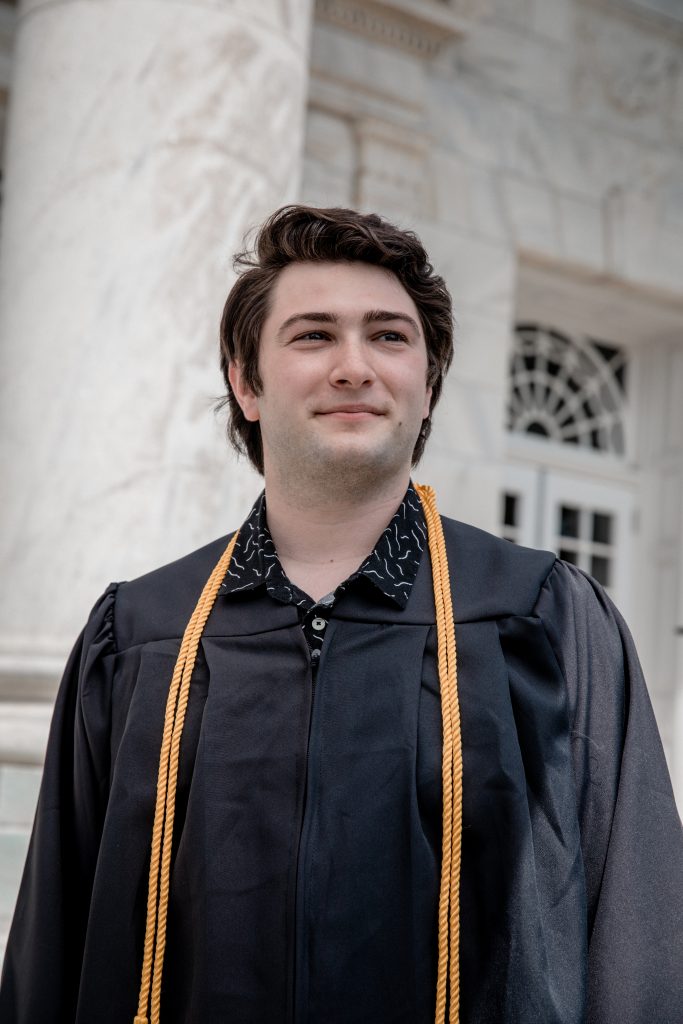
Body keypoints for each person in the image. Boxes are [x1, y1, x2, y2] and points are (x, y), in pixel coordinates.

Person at [1, 205, 681, 1024]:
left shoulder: (542, 618)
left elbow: (634, 939)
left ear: (427, 386)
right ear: (245, 384)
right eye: (313, 335)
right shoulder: (141, 635)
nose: (354, 366)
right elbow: (52, 941)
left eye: (389, 337)